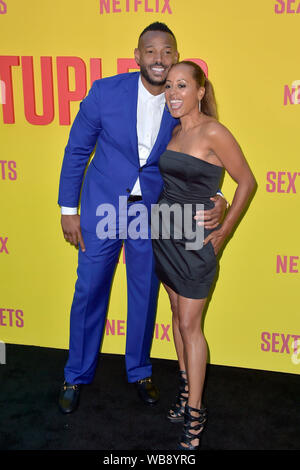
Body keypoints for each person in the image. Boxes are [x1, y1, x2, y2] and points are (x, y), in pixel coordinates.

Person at [57, 23, 227, 414]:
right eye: (150, 52)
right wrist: (69, 210)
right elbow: (77, 151)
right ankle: (75, 374)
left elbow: (203, 153)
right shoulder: (104, 92)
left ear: (176, 56)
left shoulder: (180, 101)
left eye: (167, 52)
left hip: (154, 213)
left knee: (145, 294)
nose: (159, 60)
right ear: (137, 56)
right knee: (89, 291)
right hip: (102, 209)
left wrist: (217, 195)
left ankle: (139, 370)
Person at [152, 61, 256, 450]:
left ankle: (196, 413)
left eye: (181, 85)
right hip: (165, 234)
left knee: (191, 326)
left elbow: (246, 180)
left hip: (197, 242)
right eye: (168, 87)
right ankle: (184, 391)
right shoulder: (175, 130)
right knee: (178, 319)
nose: (173, 93)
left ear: (200, 91)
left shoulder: (215, 131)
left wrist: (224, 226)